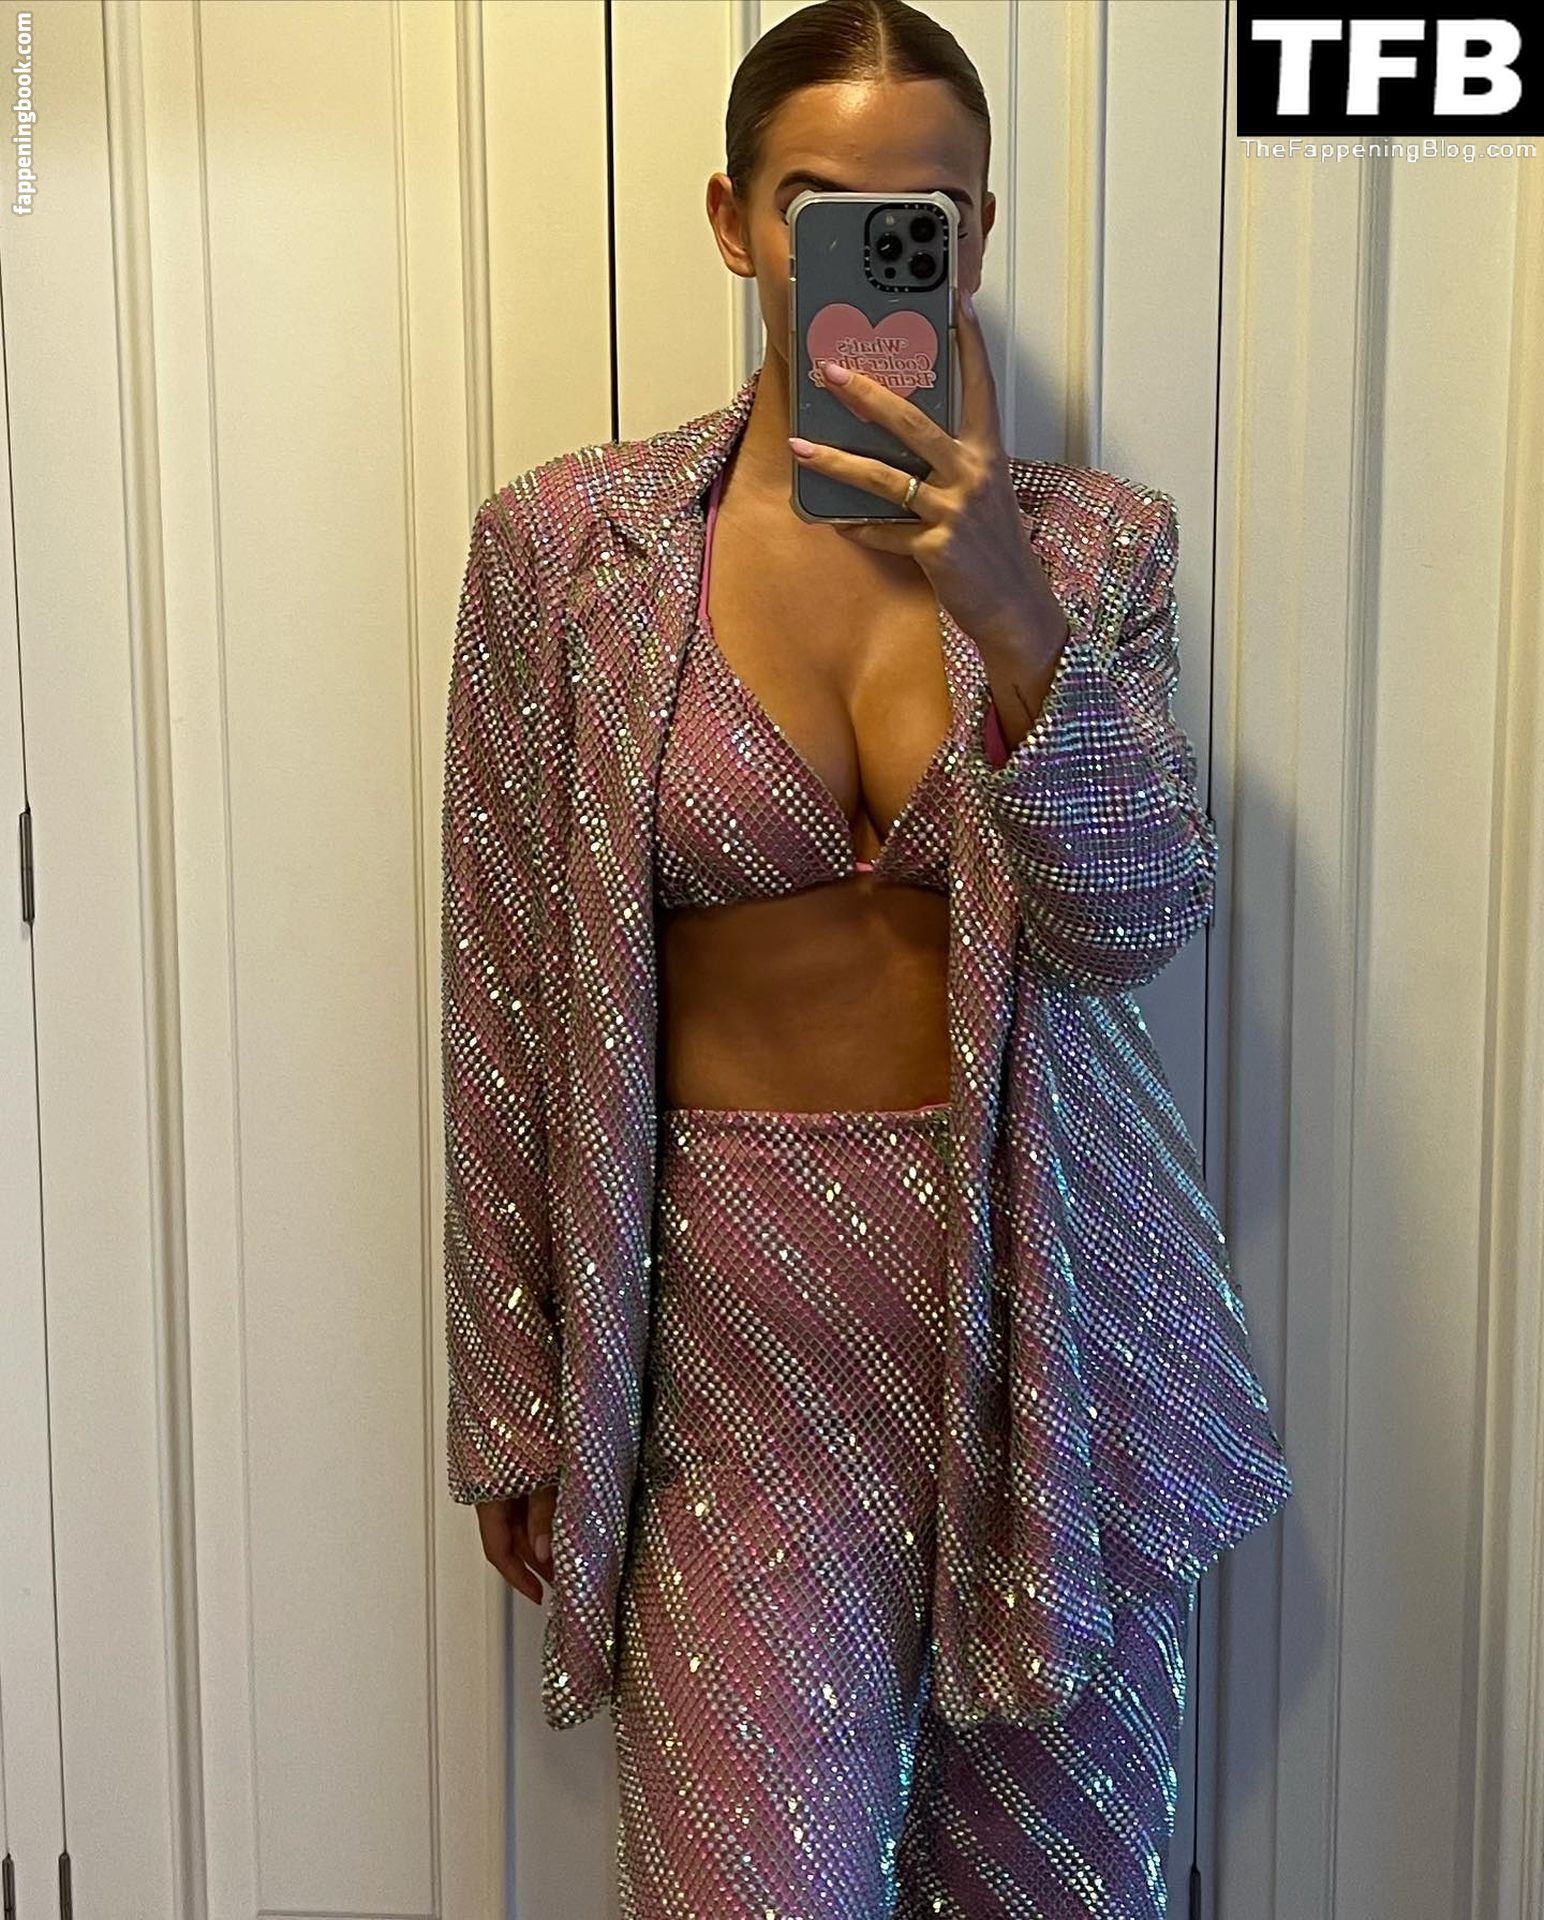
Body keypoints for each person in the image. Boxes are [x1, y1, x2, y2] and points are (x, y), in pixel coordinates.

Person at [439, 2, 1293, 1913]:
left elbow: (1131, 924)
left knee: (1053, 1888)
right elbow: (499, 982)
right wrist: (513, 1390)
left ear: (974, 235)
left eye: (928, 215)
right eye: (824, 205)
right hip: (730, 1354)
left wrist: (1012, 614)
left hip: (1054, 1334)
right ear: (736, 221)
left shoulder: (1098, 547)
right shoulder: (568, 550)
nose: (879, 252)